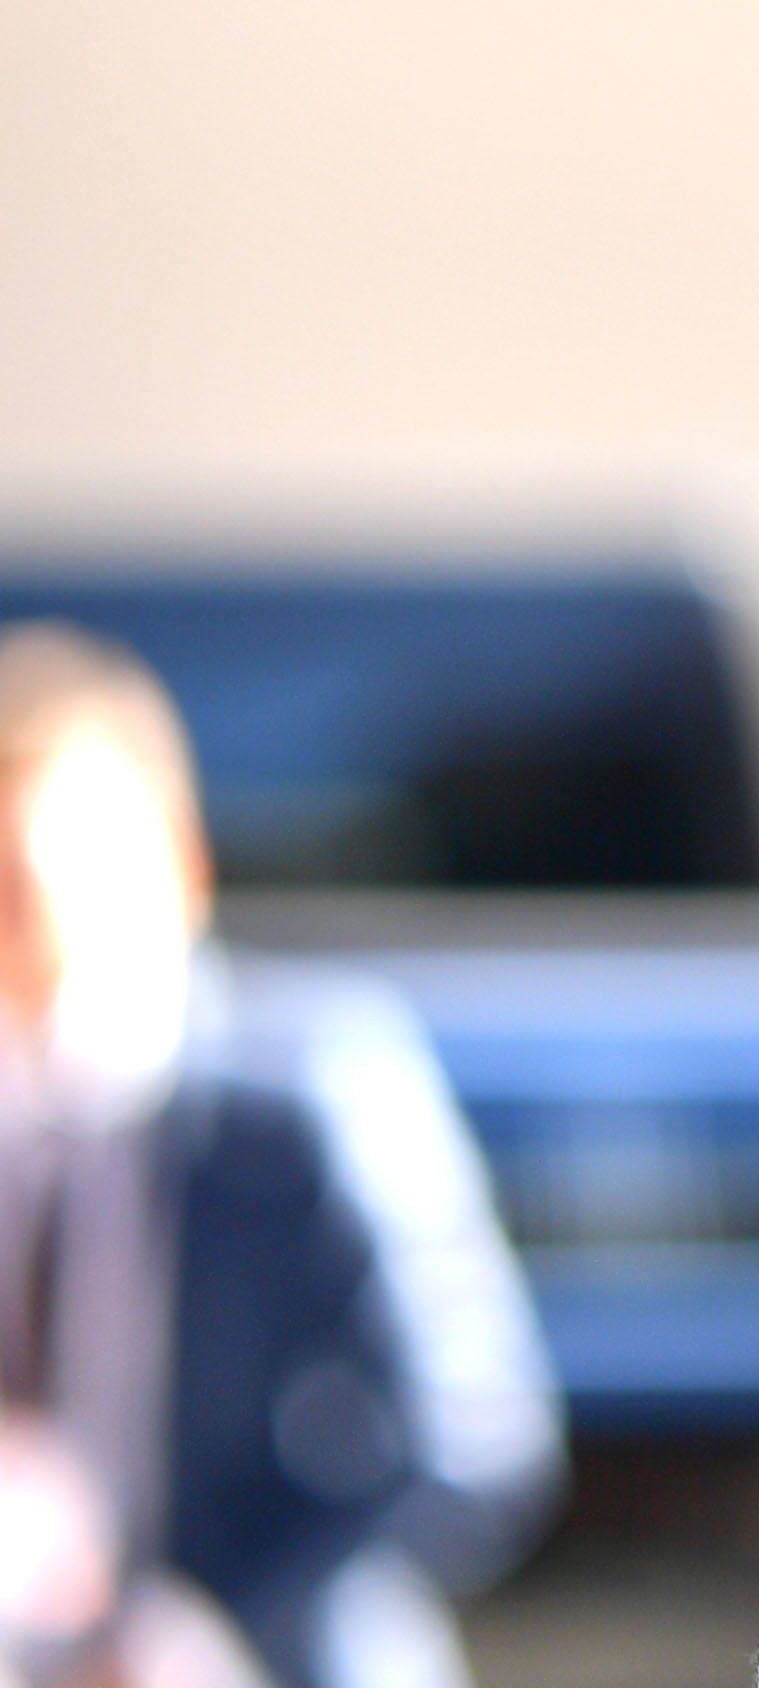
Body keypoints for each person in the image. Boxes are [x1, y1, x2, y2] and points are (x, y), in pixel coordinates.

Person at [0, 633, 550, 1688]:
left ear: (179, 861)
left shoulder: (307, 1091)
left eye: (45, 885)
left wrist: (198, 1632)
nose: (26, 941)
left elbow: (476, 1431)